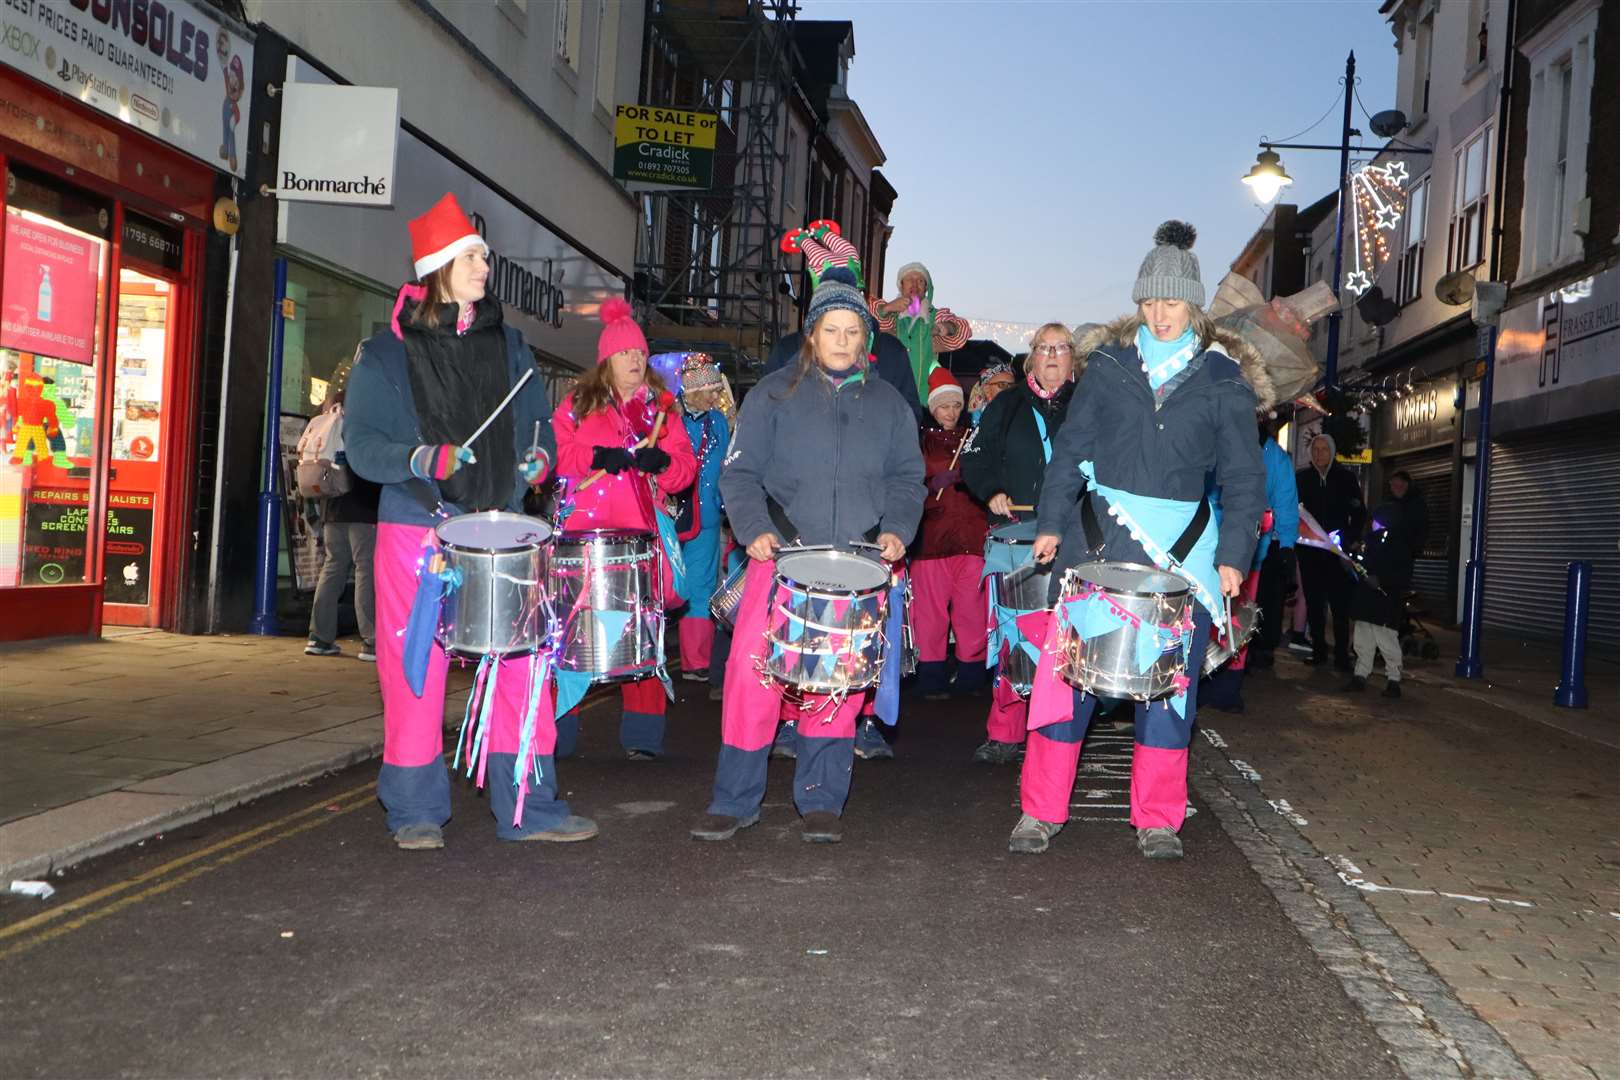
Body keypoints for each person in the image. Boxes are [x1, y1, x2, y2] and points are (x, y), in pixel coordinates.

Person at [345, 192, 589, 850]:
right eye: (474, 255)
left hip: (501, 529)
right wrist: (424, 456)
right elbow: (363, 447)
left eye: (484, 254)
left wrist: (539, 457)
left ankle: (528, 809)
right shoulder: (384, 355)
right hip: (416, 530)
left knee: (523, 669)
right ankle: (415, 810)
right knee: (414, 674)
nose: (486, 265)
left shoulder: (510, 347)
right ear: (439, 266)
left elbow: (539, 423)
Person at [1021, 221, 1269, 860]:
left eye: (1173, 301)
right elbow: (1070, 452)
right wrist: (1051, 521)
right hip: (1099, 543)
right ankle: (1040, 810)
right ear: (1138, 303)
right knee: (1065, 684)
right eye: (1151, 302)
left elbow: (1243, 479)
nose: (1161, 314)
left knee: (1168, 692)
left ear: (1193, 305)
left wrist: (1234, 556)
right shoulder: (1106, 368)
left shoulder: (1222, 380)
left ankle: (1158, 817)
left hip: (1182, 556)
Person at [691, 265, 924, 845]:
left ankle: (821, 798)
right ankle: (735, 799)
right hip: (781, 558)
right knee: (752, 679)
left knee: (836, 686)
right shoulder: (772, 395)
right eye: (832, 330)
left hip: (856, 567)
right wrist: (751, 528)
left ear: (865, 338)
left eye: (853, 331)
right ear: (812, 334)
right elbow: (739, 475)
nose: (842, 341)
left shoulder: (892, 405)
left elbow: (908, 479)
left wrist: (897, 529)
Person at [551, 299, 697, 761]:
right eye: (624, 353)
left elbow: (684, 471)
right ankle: (559, 735)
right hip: (584, 537)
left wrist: (666, 462)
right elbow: (556, 456)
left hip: (641, 537)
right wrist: (597, 457)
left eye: (639, 352)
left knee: (642, 634)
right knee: (574, 637)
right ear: (606, 361)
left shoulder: (662, 412)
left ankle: (643, 736)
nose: (635, 360)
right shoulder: (577, 404)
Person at [960, 322, 1079, 764]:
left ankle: (1058, 732)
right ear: (1031, 358)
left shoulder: (1089, 407)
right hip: (1015, 536)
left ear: (1073, 359)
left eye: (1061, 347)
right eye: (1043, 347)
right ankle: (1005, 732)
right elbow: (975, 457)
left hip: (1075, 538)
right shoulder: (1005, 404)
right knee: (1015, 639)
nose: (1052, 355)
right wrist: (991, 489)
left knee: (1069, 641)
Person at [768, 220, 922, 419]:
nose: (842, 339)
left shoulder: (891, 353)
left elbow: (909, 421)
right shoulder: (788, 352)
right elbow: (764, 420)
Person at [909, 368, 989, 700]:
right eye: (944, 406)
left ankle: (971, 674)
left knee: (971, 609)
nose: (951, 412)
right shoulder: (920, 441)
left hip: (970, 537)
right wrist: (930, 487)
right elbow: (908, 484)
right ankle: (931, 676)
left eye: (956, 405)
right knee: (930, 612)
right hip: (931, 539)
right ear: (932, 407)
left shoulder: (974, 438)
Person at [303, 389, 381, 661]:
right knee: (365, 569)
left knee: (333, 567)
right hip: (362, 508)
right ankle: (371, 640)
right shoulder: (361, 427)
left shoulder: (326, 424)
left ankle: (319, 637)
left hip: (332, 508)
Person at [674, 354, 732, 682]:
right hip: (671, 516)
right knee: (667, 586)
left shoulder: (719, 422)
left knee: (701, 587)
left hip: (706, 517)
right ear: (694, 390)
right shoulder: (668, 420)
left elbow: (724, 467)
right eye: (711, 390)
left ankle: (696, 662)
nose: (715, 395)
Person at [1297, 433, 1366, 672]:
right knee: (1315, 604)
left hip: (1338, 553)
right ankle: (1318, 651)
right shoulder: (1302, 479)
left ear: (1332, 452)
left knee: (1340, 606)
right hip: (1310, 552)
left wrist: (1351, 539)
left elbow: (1359, 513)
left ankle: (1341, 656)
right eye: (1315, 449)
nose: (1319, 454)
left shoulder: (1346, 479)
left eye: (1324, 449)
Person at [870, 261, 972, 401]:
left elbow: (960, 330)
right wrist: (887, 308)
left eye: (920, 281)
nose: (915, 284)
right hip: (888, 398)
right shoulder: (891, 315)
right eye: (909, 280)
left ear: (926, 288)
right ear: (901, 285)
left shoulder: (934, 315)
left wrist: (944, 328)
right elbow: (871, 320)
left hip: (922, 400)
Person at [1344, 498, 1414, 698]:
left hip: (1384, 602)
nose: (1372, 523)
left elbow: (1403, 575)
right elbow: (1362, 565)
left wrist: (1382, 580)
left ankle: (1393, 679)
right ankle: (1360, 674)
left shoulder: (1399, 545)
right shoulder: (1370, 541)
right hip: (1366, 600)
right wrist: (1351, 565)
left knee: (1386, 641)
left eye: (1376, 520)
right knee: (1362, 640)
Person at [1246, 417, 1301, 670]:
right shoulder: (1230, 445)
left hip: (1265, 542)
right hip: (1230, 537)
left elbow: (1286, 504)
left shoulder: (1277, 459)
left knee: (1266, 598)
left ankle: (1263, 647)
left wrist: (1287, 544)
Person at [1387, 469, 1428, 559]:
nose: (1393, 489)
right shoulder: (1391, 503)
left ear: (1405, 484)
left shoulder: (1417, 504)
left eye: (1395, 485)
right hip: (1391, 553)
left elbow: (1421, 528)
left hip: (1407, 553)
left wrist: (1414, 550)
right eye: (1391, 485)